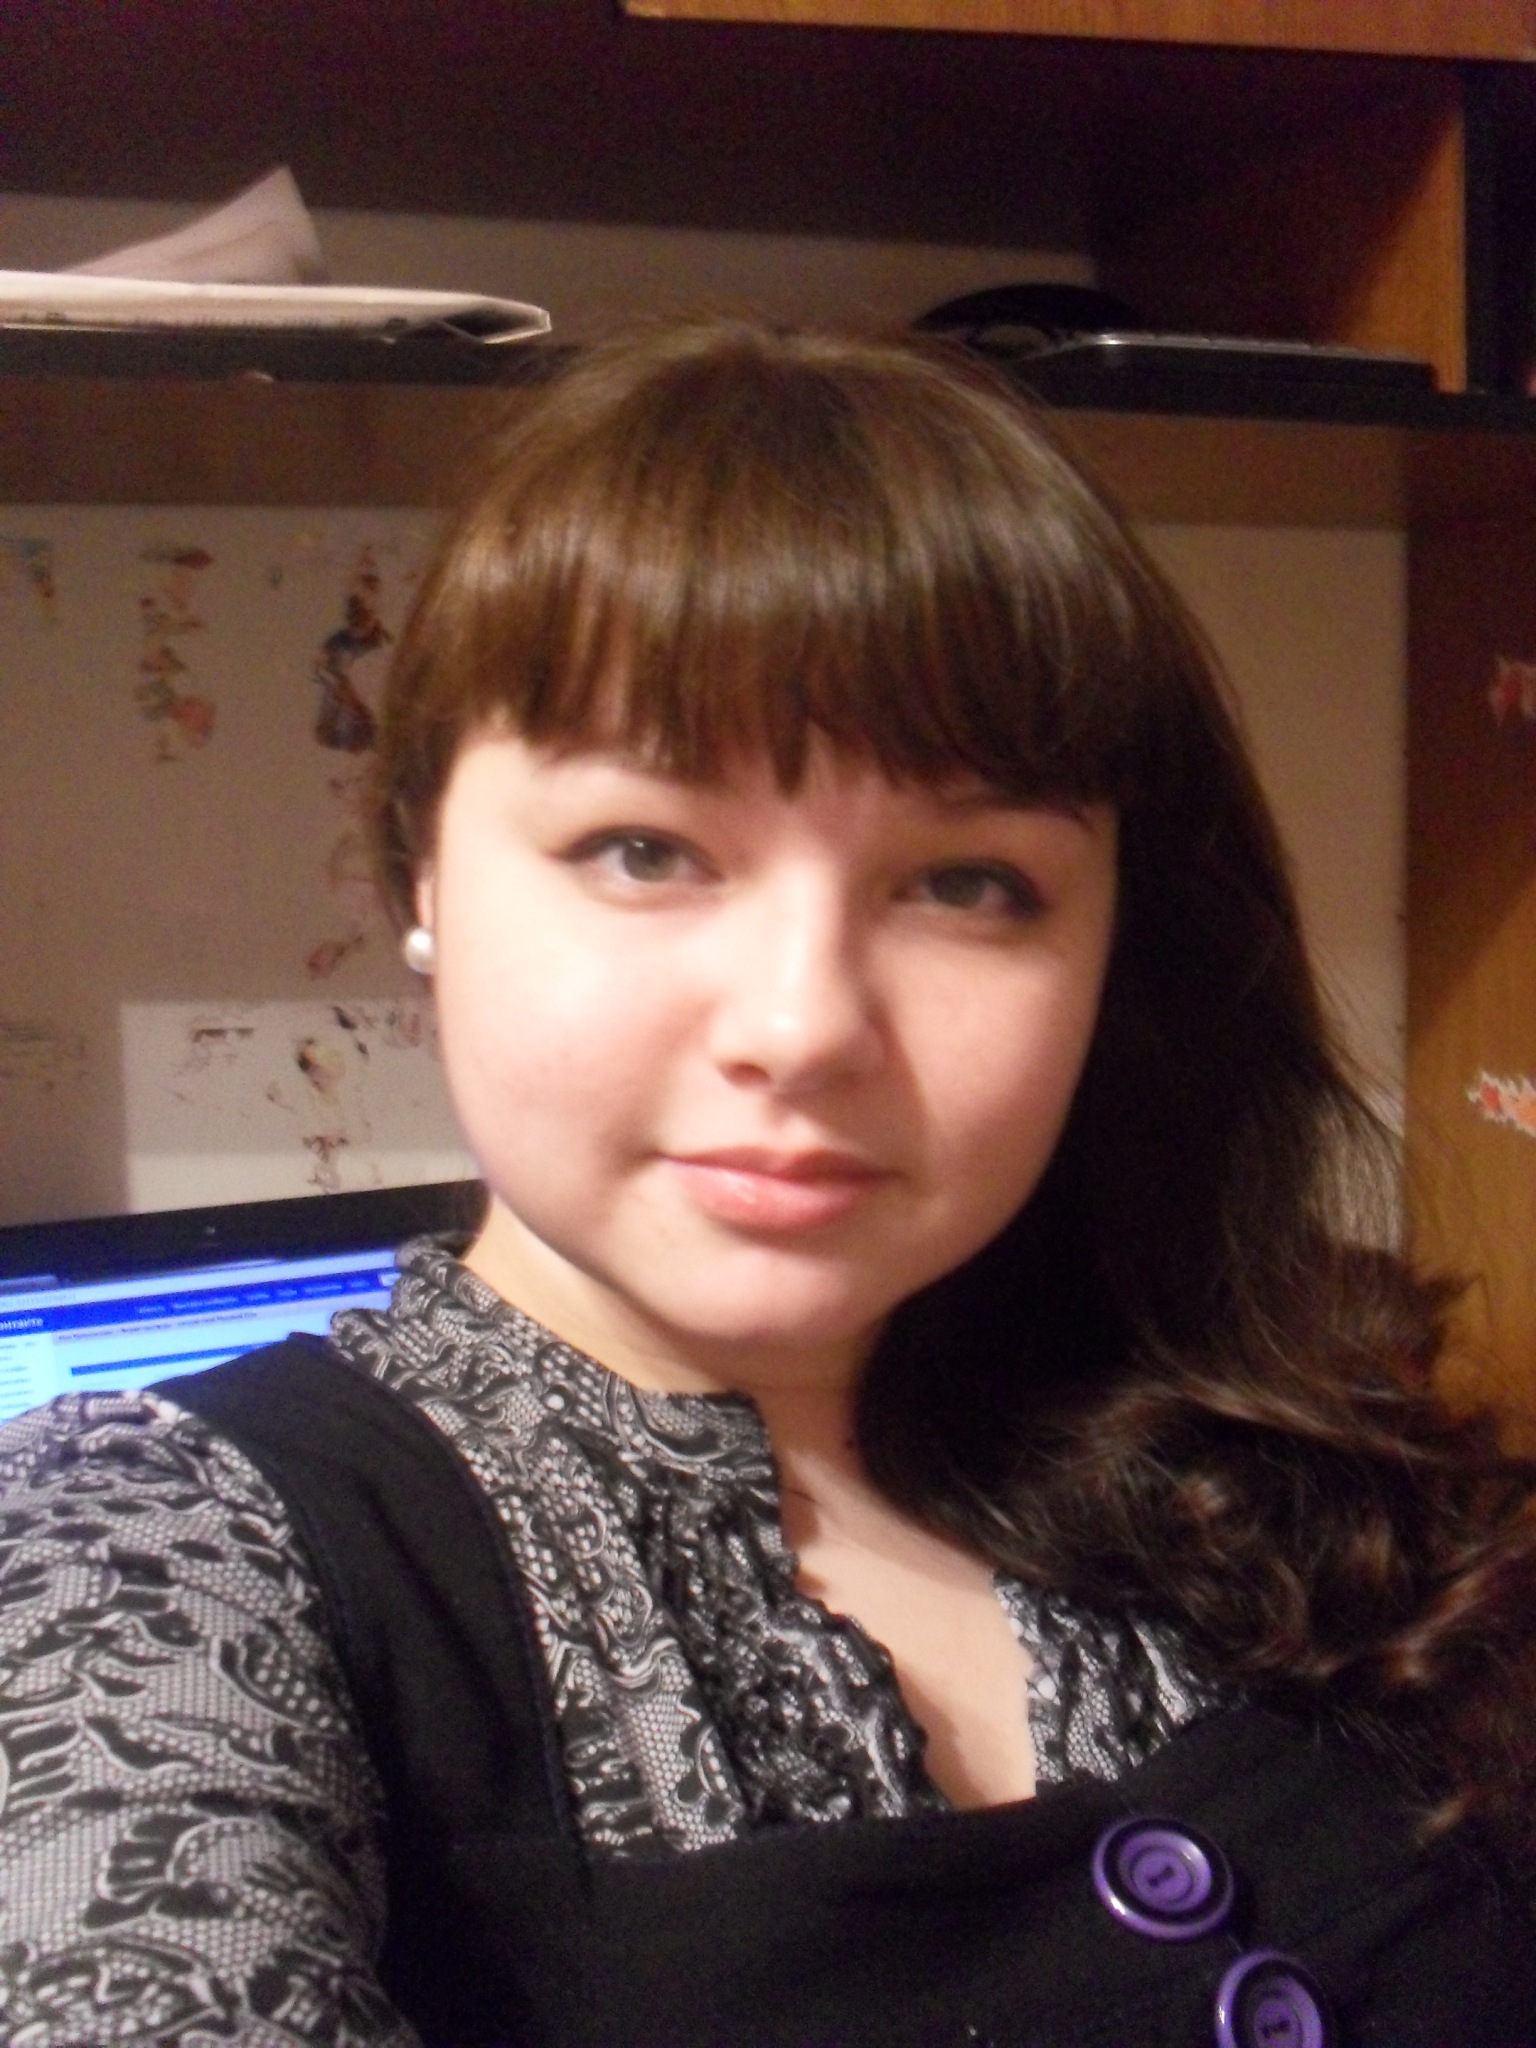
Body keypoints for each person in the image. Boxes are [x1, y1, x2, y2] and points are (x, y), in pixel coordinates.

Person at [1, 320, 1533, 2048]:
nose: (802, 1027)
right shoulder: (150, 1552)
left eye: (967, 883)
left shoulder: (1279, 1466)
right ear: (422, 870)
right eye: (644, 850)